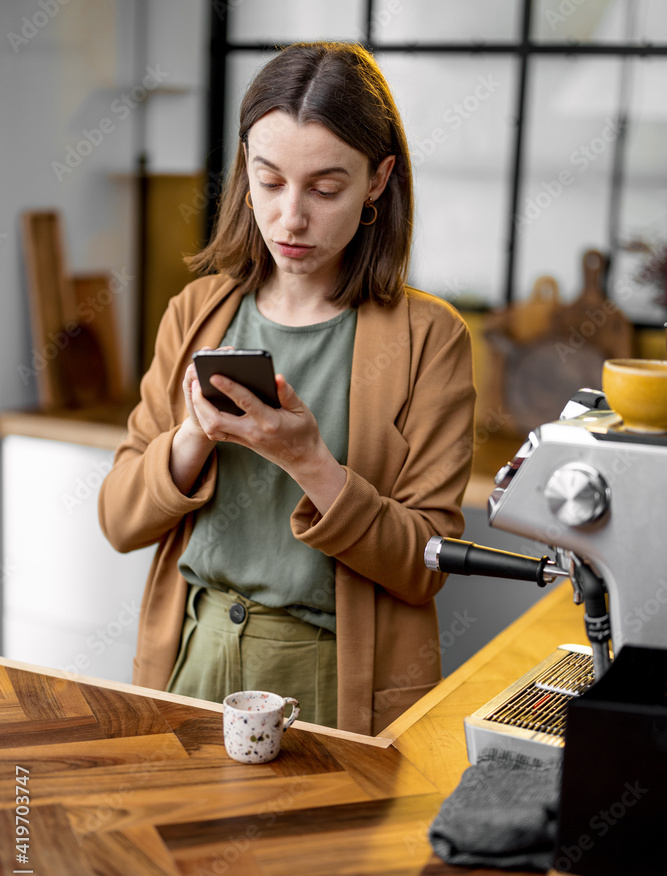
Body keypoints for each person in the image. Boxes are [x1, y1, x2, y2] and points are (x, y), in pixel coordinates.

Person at [98, 41, 476, 737]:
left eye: (325, 188)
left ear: (377, 180)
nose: (290, 218)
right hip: (193, 658)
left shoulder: (431, 338)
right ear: (245, 167)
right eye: (269, 182)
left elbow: (424, 564)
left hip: (334, 680)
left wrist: (310, 462)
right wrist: (192, 436)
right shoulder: (197, 312)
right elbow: (120, 520)